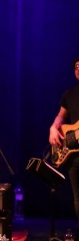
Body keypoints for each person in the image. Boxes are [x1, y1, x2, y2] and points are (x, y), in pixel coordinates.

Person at [49, 56, 79, 228]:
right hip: (74, 155)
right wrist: (53, 128)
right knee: (77, 198)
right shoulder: (69, 94)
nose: (78, 69)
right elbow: (61, 117)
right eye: (76, 66)